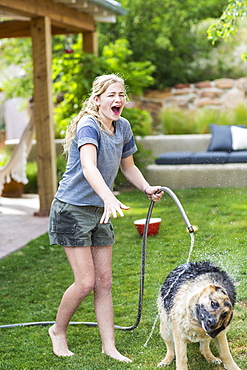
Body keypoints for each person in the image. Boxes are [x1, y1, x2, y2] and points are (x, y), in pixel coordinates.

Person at [48, 74, 163, 362]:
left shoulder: (122, 126)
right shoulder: (89, 126)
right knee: (85, 282)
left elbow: (128, 167)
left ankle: (109, 346)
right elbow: (89, 167)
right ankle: (58, 330)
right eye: (112, 94)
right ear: (97, 99)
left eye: (122, 94)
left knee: (105, 281)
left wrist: (146, 187)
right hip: (72, 209)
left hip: (100, 211)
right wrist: (108, 197)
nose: (118, 100)